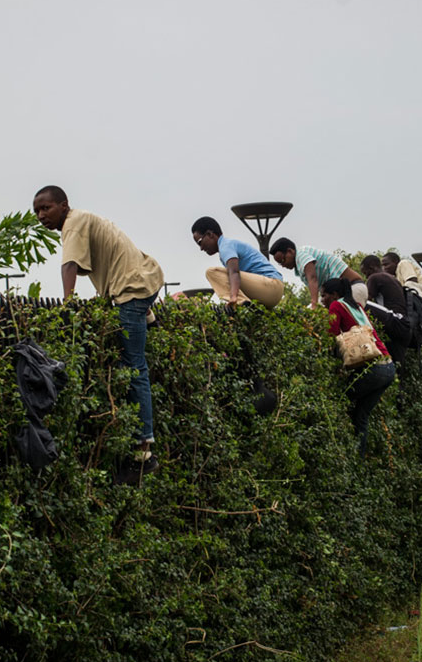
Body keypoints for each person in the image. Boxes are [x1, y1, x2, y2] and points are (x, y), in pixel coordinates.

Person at [34, 185, 163, 481]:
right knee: (132, 359)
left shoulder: (73, 223)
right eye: (37, 211)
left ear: (64, 205)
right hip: (144, 279)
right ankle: (149, 317)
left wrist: (67, 304)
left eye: (46, 208)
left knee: (134, 367)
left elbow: (70, 264)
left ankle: (144, 453)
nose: (41, 215)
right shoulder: (83, 221)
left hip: (131, 290)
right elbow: (89, 263)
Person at [321, 277, 396, 454]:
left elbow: (330, 336)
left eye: (324, 295)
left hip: (374, 370)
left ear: (334, 294)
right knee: (361, 416)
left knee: (338, 401)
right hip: (388, 367)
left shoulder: (336, 306)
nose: (322, 300)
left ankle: (342, 454)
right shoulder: (356, 307)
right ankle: (359, 458)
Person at [191, 216, 284, 308]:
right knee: (228, 281)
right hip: (271, 291)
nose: (201, 248)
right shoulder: (227, 246)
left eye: (200, 242)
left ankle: (242, 303)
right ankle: (249, 307)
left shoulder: (225, 246)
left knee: (212, 272)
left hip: (271, 286)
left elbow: (234, 272)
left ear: (210, 234)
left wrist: (233, 297)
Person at [269, 237, 365, 308]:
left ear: (290, 251)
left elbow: (313, 278)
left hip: (354, 289)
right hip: (341, 294)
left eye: (282, 260)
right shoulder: (300, 262)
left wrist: (314, 305)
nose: (283, 265)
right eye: (279, 264)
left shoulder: (301, 255)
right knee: (308, 312)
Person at [359, 255, 412, 366]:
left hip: (394, 320)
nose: (366, 276)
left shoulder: (375, 277)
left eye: (366, 273)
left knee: (360, 303)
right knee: (396, 362)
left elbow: (365, 299)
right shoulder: (393, 279)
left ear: (372, 267)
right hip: (404, 325)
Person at [382, 252, 422, 318]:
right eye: (382, 266)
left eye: (386, 265)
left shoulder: (403, 263)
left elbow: (412, 280)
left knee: (409, 285)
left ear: (395, 262)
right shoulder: (396, 278)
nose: (384, 268)